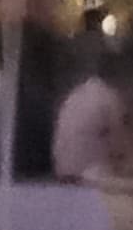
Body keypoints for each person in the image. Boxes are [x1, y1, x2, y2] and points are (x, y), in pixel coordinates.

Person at [50, 54, 124, 182]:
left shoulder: (78, 93)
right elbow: (120, 143)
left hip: (62, 174)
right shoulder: (110, 96)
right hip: (87, 176)